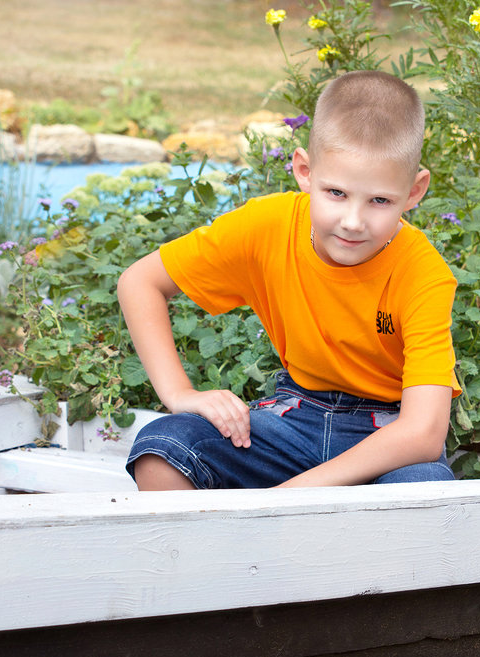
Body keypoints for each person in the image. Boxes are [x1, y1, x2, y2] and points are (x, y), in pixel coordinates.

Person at [117, 70, 460, 491]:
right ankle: (218, 559)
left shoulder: (423, 272)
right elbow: (140, 282)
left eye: (379, 201)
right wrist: (180, 395)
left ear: (413, 191)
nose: (353, 222)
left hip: (388, 437)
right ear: (304, 171)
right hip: (292, 421)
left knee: (423, 489)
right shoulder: (267, 226)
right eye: (336, 193)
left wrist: (290, 497)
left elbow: (423, 434)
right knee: (165, 448)